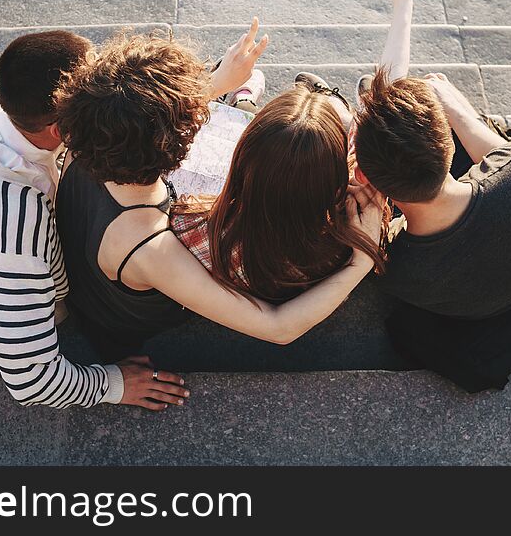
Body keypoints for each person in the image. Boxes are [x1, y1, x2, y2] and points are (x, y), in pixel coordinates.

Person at [54, 22, 384, 360]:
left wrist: (216, 83)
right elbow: (278, 328)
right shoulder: (151, 246)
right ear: (179, 149)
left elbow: (134, 115)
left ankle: (240, 101)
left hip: (90, 268)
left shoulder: (92, 135)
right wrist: (361, 259)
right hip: (123, 324)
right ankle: (243, 104)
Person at [0, 30, 189, 411]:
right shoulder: (17, 240)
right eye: (92, 92)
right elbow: (31, 380)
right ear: (58, 130)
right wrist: (114, 384)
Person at [346, 0, 511, 317]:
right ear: (448, 140)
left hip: (466, 302)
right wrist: (456, 106)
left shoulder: (398, 268)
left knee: (367, 92)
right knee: (386, 90)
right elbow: (491, 142)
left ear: (365, 177)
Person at [171, 81, 384, 304]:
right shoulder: (344, 245)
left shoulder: (190, 225)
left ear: (240, 159)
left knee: (246, 111)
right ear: (334, 180)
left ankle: (243, 97)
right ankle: (334, 106)